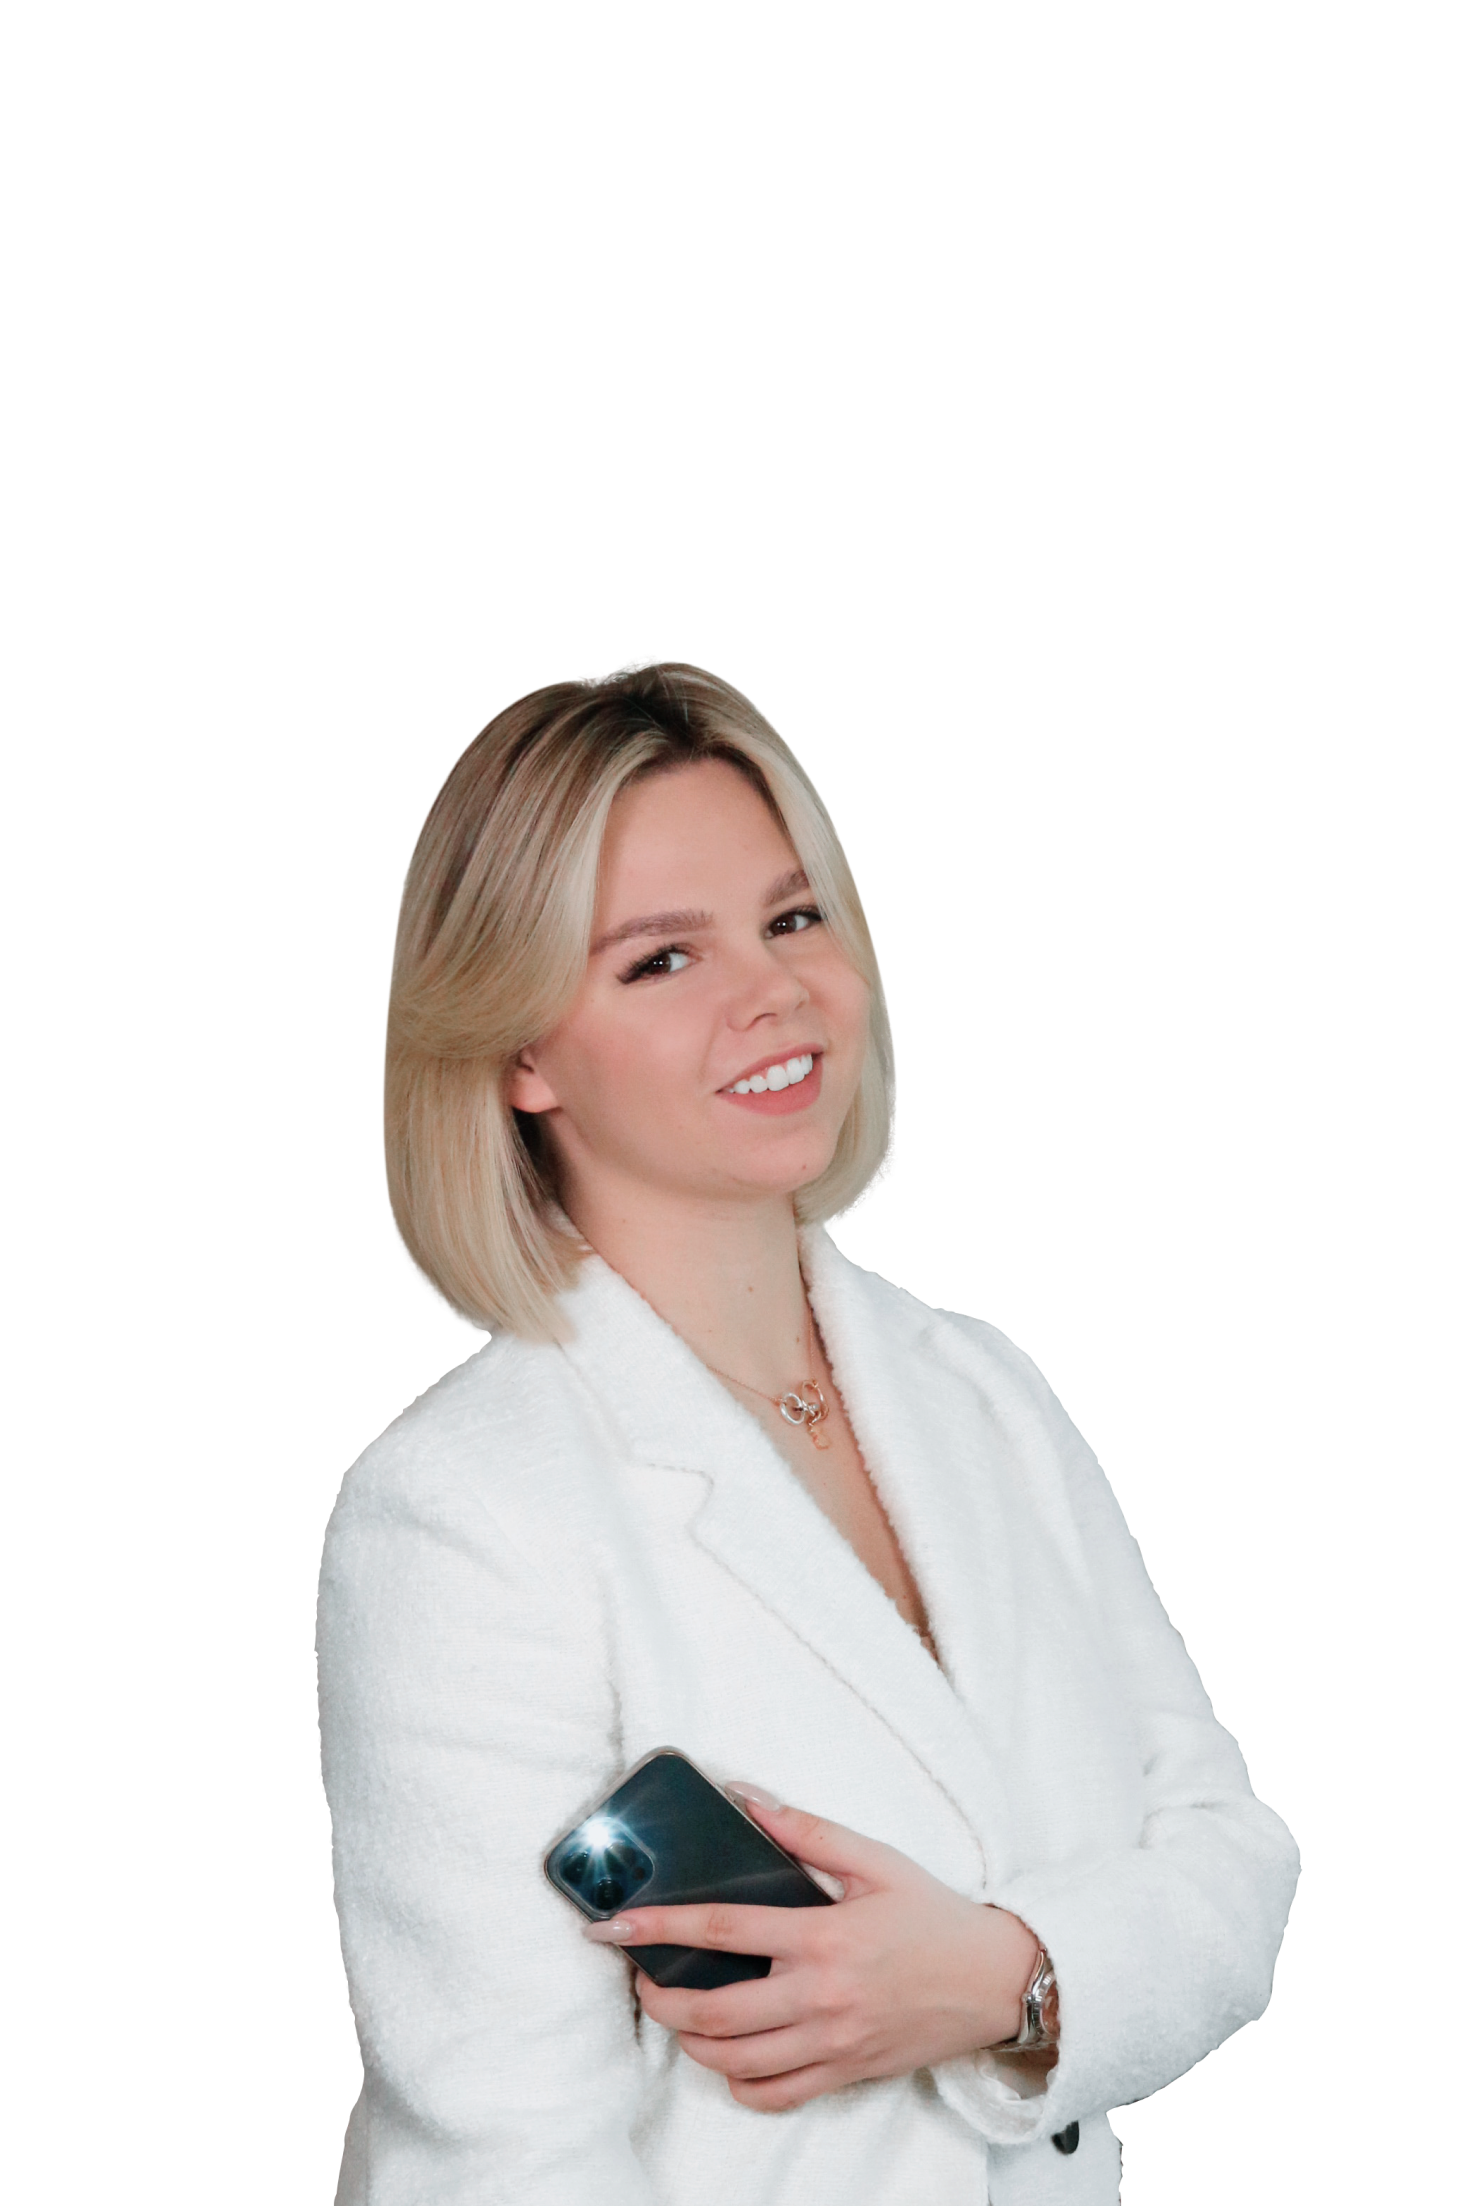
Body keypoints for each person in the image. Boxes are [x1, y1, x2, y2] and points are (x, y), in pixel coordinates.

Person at [317, 656, 1300, 2204]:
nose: (769, 992)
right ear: (519, 1053)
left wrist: (1003, 1980)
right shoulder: (460, 1508)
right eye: (659, 958)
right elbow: (504, 2155)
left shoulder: (978, 1387)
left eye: (789, 919)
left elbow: (1231, 1864)